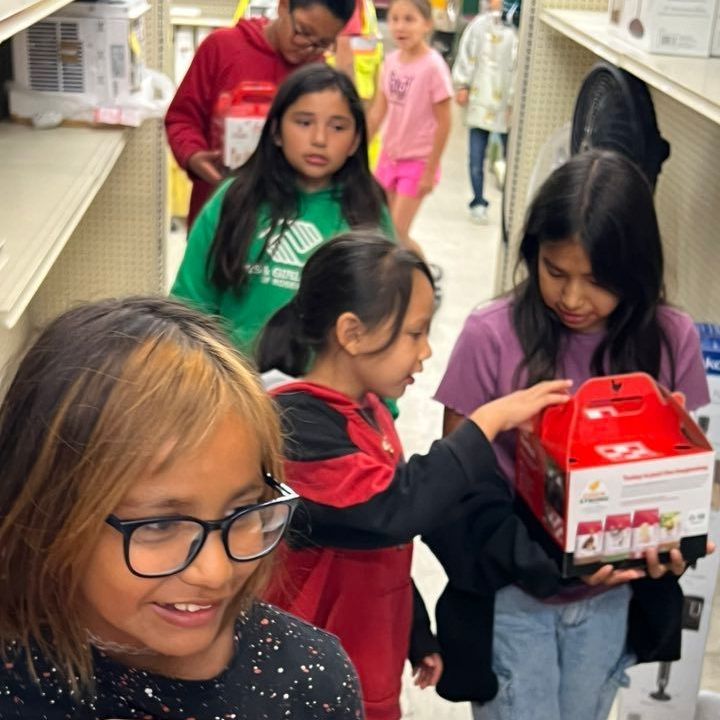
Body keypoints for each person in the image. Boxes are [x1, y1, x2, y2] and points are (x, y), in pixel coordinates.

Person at [430, 150, 711, 720]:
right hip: (514, 593)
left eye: (598, 281)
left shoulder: (669, 336)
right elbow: (452, 475)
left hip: (613, 595)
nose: (574, 299)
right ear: (532, 252)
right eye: (555, 272)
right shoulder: (492, 334)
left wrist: (674, 542)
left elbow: (689, 473)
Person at [255, 233, 573, 720]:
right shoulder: (298, 427)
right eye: (414, 333)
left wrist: (413, 630)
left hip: (366, 657)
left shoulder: (369, 412)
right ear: (352, 332)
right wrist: (484, 424)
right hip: (307, 678)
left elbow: (379, 547)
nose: (426, 352)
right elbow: (393, 511)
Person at [0, 297, 365, 719]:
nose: (215, 572)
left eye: (243, 511)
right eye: (158, 524)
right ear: (46, 513)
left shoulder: (312, 684)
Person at [171, 64, 393, 358]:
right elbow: (190, 303)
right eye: (303, 122)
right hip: (234, 387)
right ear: (275, 131)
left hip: (325, 397)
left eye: (338, 127)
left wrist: (382, 404)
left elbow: (385, 318)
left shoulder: (366, 211)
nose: (319, 139)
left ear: (354, 142)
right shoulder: (235, 199)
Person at [165, 0, 355, 229]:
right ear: (283, 6)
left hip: (288, 227)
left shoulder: (319, 76)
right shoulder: (222, 48)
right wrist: (194, 155)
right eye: (303, 32)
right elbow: (182, 118)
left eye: (322, 43)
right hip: (220, 216)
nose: (307, 47)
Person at [366, 0, 452, 256]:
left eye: (409, 19)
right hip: (389, 159)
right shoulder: (390, 62)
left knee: (397, 234)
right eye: (394, 19)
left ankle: (426, 280)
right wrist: (356, 152)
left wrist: (429, 170)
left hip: (418, 163)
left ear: (427, 24)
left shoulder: (434, 67)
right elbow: (378, 112)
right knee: (382, 231)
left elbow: (445, 123)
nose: (400, 27)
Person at [452, 0, 517, 224]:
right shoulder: (479, 26)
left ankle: (512, 207)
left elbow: (519, 68)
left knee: (513, 159)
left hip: (505, 107)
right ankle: (478, 200)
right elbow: (467, 55)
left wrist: (514, 101)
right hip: (480, 100)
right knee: (476, 157)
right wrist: (462, 85)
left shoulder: (517, 30)